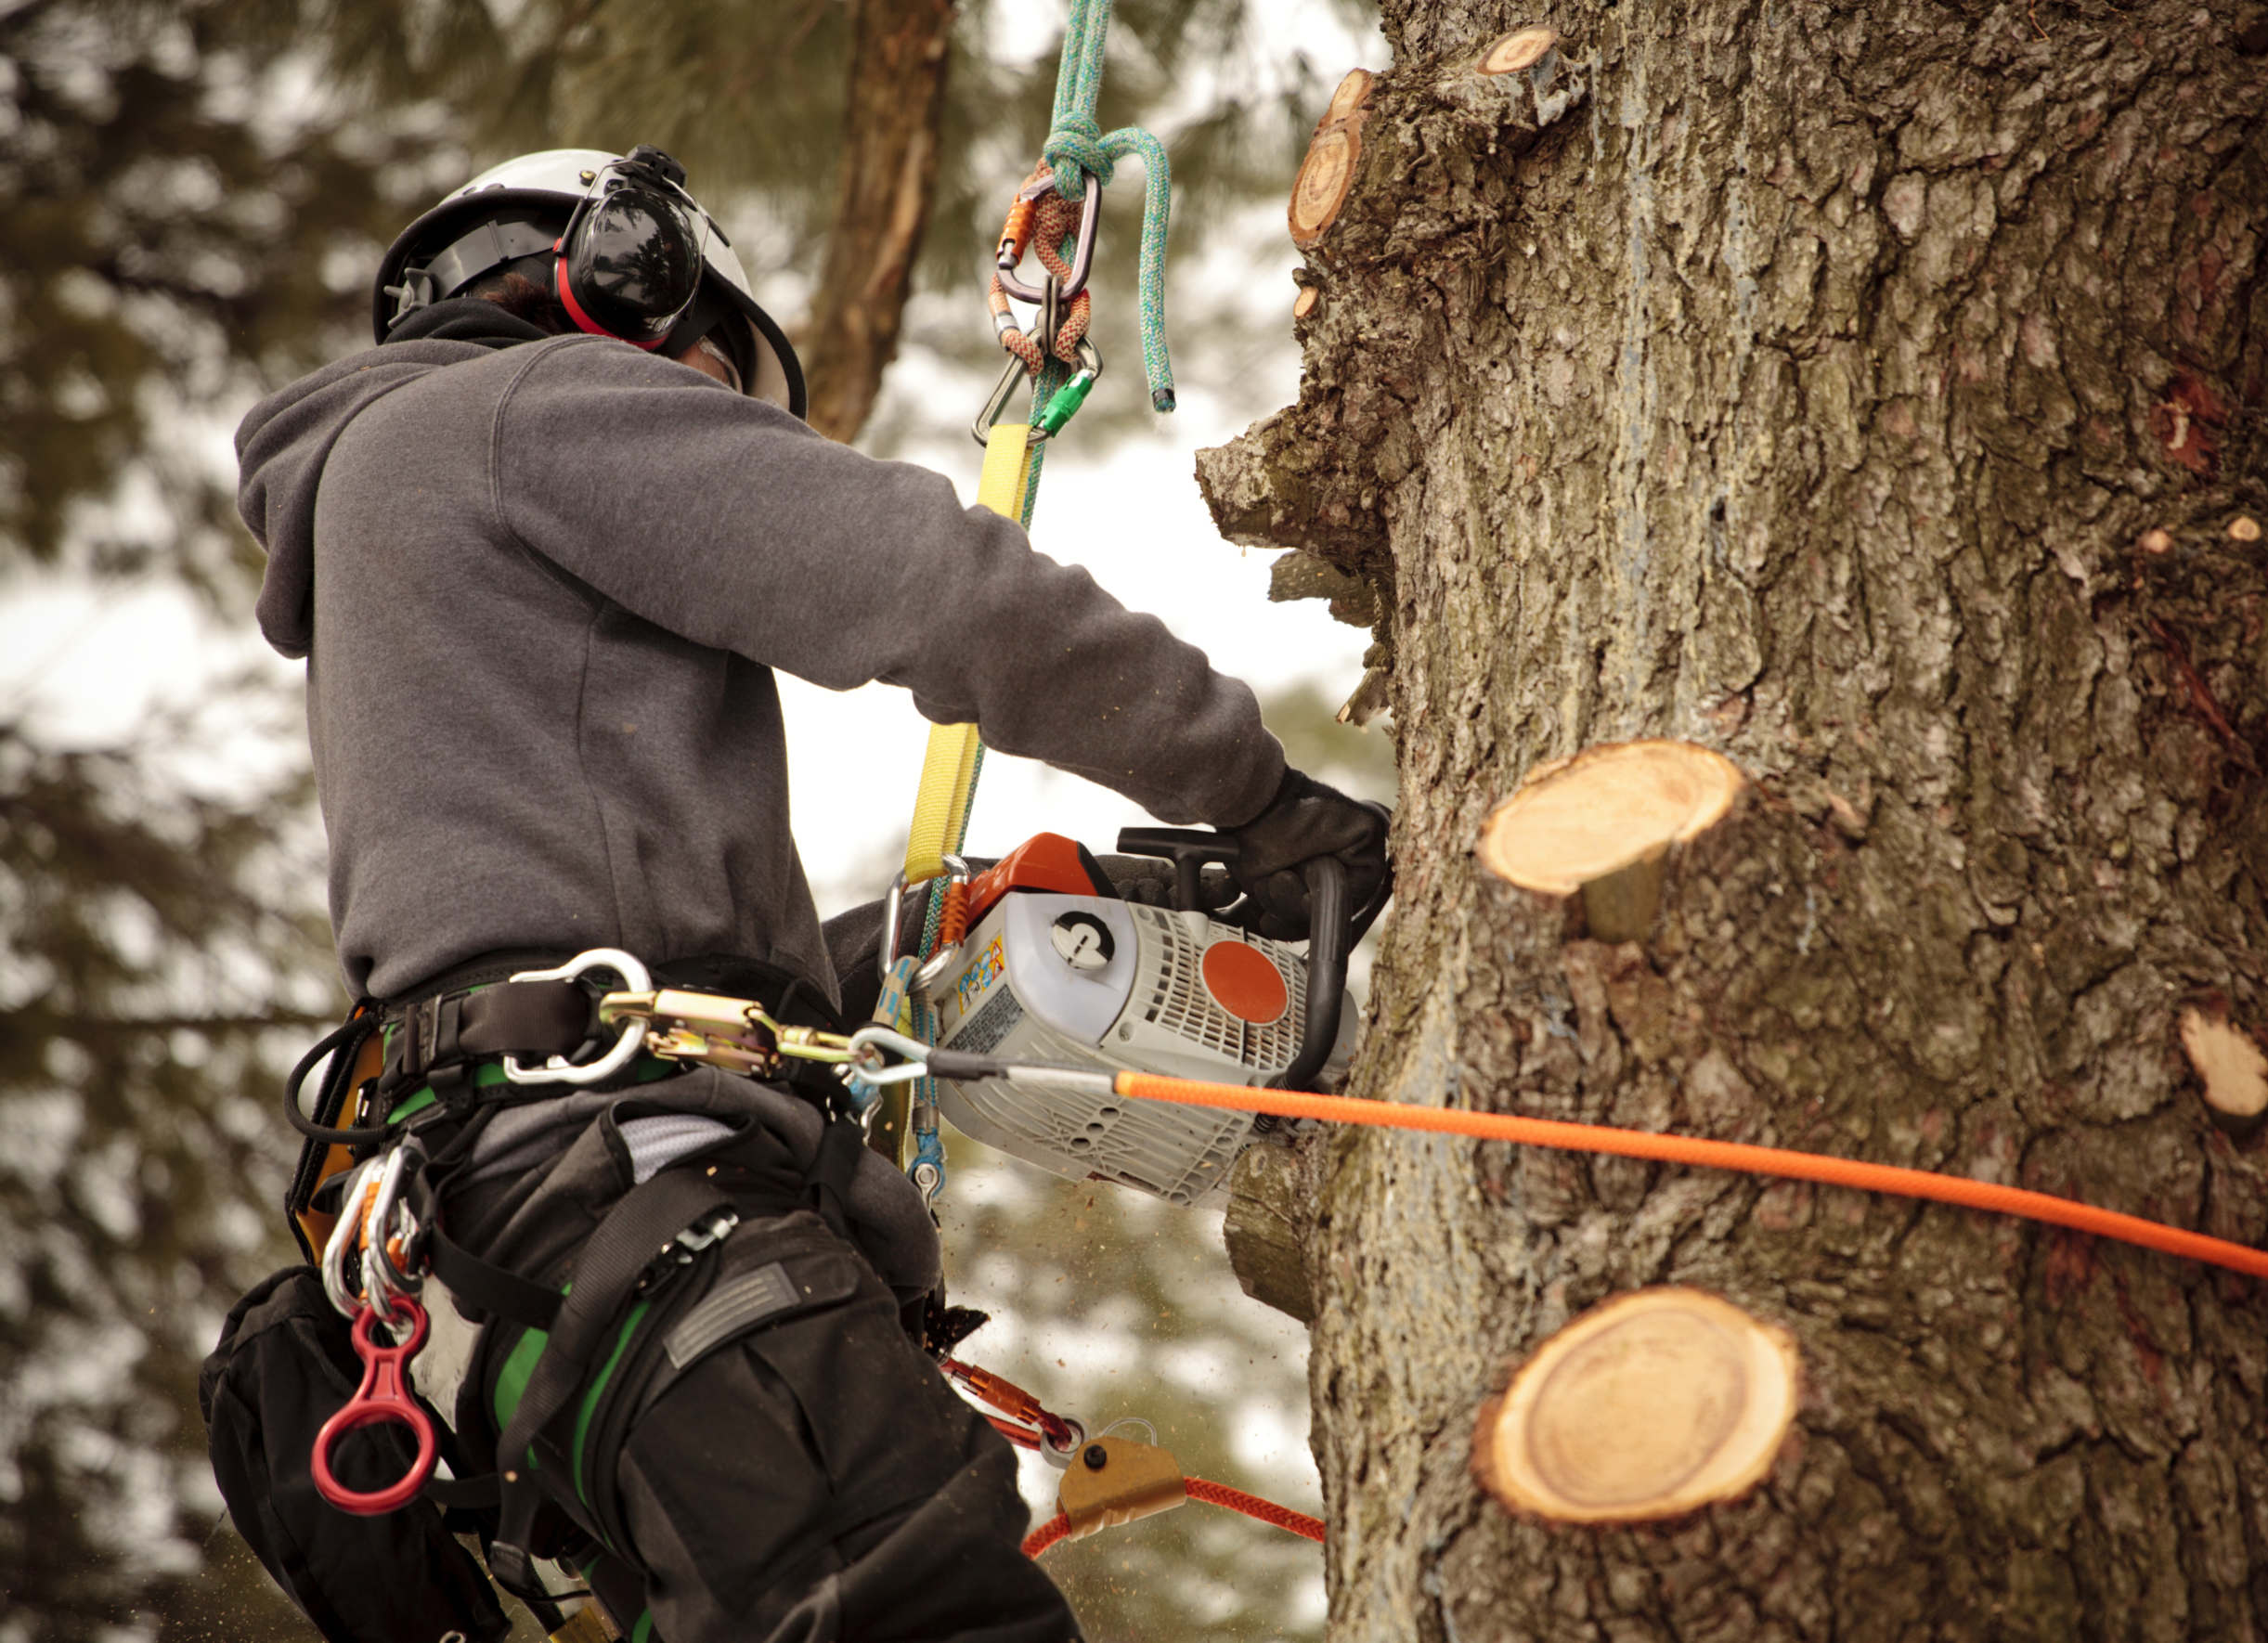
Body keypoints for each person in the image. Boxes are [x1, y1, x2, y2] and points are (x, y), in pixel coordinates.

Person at [208, 145, 1389, 1643]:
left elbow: (570, 953)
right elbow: (933, 587)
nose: (707, 415)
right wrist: (1264, 797)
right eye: (709, 376)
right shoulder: (530, 405)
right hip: (660, 1228)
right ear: (617, 280)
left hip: (533, 1262)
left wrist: (924, 936)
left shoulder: (391, 510)